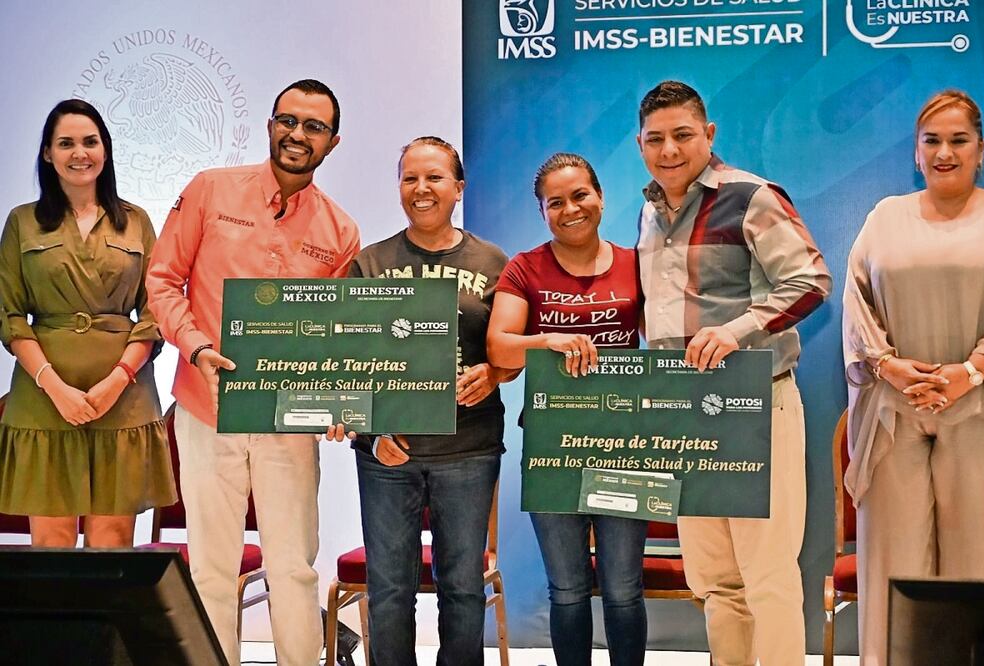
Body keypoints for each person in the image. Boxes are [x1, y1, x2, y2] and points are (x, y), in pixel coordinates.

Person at [145, 79, 360, 666]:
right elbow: (162, 281)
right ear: (269, 126)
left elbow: (339, 337)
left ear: (332, 143)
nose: (297, 135)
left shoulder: (340, 232)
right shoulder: (211, 190)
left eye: (313, 127)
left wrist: (341, 402)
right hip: (204, 407)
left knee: (292, 565)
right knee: (212, 567)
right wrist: (193, 347)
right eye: (287, 120)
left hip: (288, 421)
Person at [635, 80, 832, 665]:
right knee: (715, 580)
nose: (669, 150)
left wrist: (735, 331)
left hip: (755, 405)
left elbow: (811, 279)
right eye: (655, 139)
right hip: (685, 414)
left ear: (709, 134)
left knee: (767, 576)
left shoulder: (750, 196)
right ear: (640, 145)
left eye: (682, 136)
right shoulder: (650, 211)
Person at [843, 89, 984, 666]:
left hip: (983, 414)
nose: (945, 152)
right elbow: (856, 304)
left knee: (980, 563)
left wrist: (971, 371)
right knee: (894, 567)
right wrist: (887, 365)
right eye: (932, 141)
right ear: (915, 152)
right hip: (893, 413)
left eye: (959, 140)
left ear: (981, 150)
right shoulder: (885, 216)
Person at [346, 136, 511, 666]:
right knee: (390, 588)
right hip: (388, 455)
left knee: (462, 587)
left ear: (458, 188)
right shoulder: (369, 263)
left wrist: (495, 371)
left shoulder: (493, 262)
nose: (421, 189)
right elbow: (349, 362)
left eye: (435, 177)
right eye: (410, 178)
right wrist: (370, 434)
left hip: (469, 449)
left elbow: (508, 351)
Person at [487, 153, 646, 665]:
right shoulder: (524, 268)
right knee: (568, 588)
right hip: (553, 442)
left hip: (628, 443)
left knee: (624, 587)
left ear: (600, 197)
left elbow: (667, 341)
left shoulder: (636, 264)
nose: (570, 209)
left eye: (580, 195)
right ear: (542, 212)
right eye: (555, 202)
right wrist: (549, 340)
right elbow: (499, 347)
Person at [0, 99, 174, 547]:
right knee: (50, 546)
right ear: (47, 154)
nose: (80, 153)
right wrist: (55, 388)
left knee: (113, 545)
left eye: (90, 142)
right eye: (66, 143)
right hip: (43, 400)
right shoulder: (22, 222)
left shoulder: (136, 220)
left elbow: (155, 311)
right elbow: (10, 314)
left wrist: (116, 381)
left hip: (123, 397)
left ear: (106, 149)